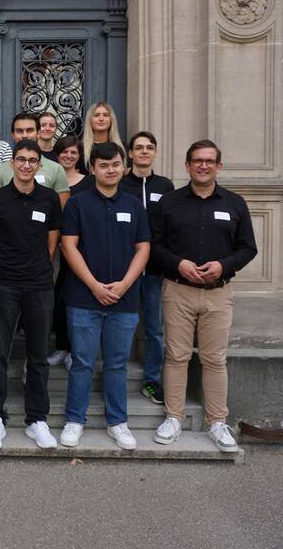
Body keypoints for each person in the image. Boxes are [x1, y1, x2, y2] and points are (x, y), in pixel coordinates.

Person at [151, 140, 257, 453]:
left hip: (218, 294)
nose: (203, 166)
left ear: (219, 166)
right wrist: (178, 263)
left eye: (209, 161)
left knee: (214, 359)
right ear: (187, 166)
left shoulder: (235, 203)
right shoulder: (168, 203)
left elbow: (248, 248)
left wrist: (224, 265)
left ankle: (217, 422)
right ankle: (173, 417)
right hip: (177, 290)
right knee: (176, 357)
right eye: (197, 161)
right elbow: (153, 246)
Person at [59, 142, 150, 451]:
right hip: (84, 298)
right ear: (93, 168)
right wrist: (95, 285)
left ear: (123, 167)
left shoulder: (134, 205)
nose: (110, 170)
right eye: (104, 165)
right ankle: (74, 420)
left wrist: (124, 284)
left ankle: (117, 422)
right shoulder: (77, 204)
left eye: (115, 164)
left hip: (124, 299)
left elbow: (144, 248)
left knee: (116, 364)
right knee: (82, 361)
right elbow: (68, 246)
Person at [0, 139, 63, 450]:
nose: (27, 164)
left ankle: (37, 420)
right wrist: (3, 273)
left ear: (39, 165)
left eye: (32, 160)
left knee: (38, 355)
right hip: (4, 284)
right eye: (21, 159)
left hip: (40, 286)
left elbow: (52, 245)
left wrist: (36, 269)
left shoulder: (50, 199)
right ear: (12, 163)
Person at [119, 131, 174, 405]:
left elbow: (172, 225)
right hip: (123, 269)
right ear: (129, 153)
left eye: (149, 147)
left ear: (154, 153)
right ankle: (113, 375)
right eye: (138, 148)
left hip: (154, 270)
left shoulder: (165, 186)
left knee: (154, 328)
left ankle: (152, 380)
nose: (143, 152)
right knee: (121, 325)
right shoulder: (120, 183)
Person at [47, 135, 93, 369]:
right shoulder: (50, 178)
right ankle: (61, 346)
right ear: (57, 154)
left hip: (79, 248)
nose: (68, 155)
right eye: (64, 151)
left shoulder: (88, 182)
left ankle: (76, 350)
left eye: (73, 152)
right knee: (57, 298)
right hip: (52, 246)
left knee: (76, 298)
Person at [0, 112, 70, 206]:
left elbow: (61, 210)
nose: (25, 135)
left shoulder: (56, 169)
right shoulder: (0, 170)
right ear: (13, 135)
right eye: (19, 131)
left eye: (30, 130)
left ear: (38, 133)